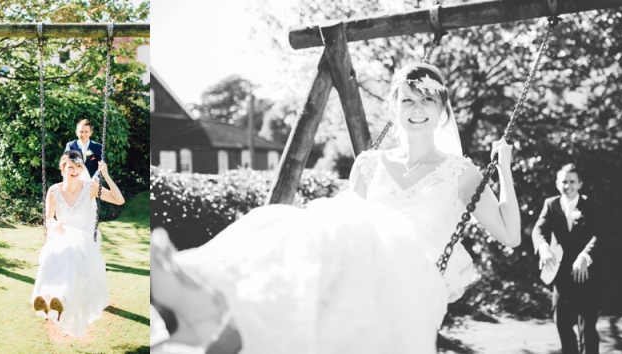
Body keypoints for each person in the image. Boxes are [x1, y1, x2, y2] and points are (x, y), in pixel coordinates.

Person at [151, 63, 521, 353]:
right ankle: (219, 307)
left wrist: (503, 169)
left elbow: (510, 235)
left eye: (427, 100)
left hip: (415, 284)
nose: (417, 108)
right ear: (394, 108)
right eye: (407, 99)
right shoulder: (370, 164)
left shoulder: (461, 173)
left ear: (442, 110)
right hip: (360, 273)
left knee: (337, 226)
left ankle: (200, 296)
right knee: (310, 225)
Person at [31, 150, 125, 337]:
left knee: (69, 253)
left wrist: (105, 174)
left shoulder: (90, 187)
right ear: (63, 169)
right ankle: (45, 296)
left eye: (78, 167)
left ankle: (61, 297)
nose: (75, 171)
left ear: (82, 168)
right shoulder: (54, 191)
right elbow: (48, 220)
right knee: (52, 254)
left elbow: (119, 200)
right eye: (70, 167)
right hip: (62, 235)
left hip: (84, 239)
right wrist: (54, 223)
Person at [532, 164, 603, 354]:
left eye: (572, 181)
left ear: (580, 184)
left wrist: (585, 255)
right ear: (557, 183)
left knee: (587, 328)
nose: (568, 185)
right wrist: (543, 246)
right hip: (561, 275)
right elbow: (539, 229)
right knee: (562, 324)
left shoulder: (591, 206)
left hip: (587, 276)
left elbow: (599, 234)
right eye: (564, 181)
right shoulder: (551, 204)